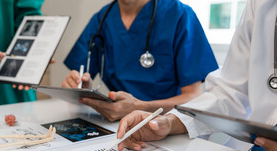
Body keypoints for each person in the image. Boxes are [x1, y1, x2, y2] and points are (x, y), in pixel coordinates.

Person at [116, 0, 277, 151]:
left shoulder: (179, 14)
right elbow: (229, 94)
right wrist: (168, 122)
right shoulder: (260, 4)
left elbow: (193, 93)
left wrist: (143, 106)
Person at [62, 0, 218, 122]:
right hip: (116, 125)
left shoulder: (180, 15)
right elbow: (81, 78)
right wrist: (82, 89)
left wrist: (140, 108)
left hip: (168, 123)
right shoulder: (103, 18)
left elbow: (193, 97)